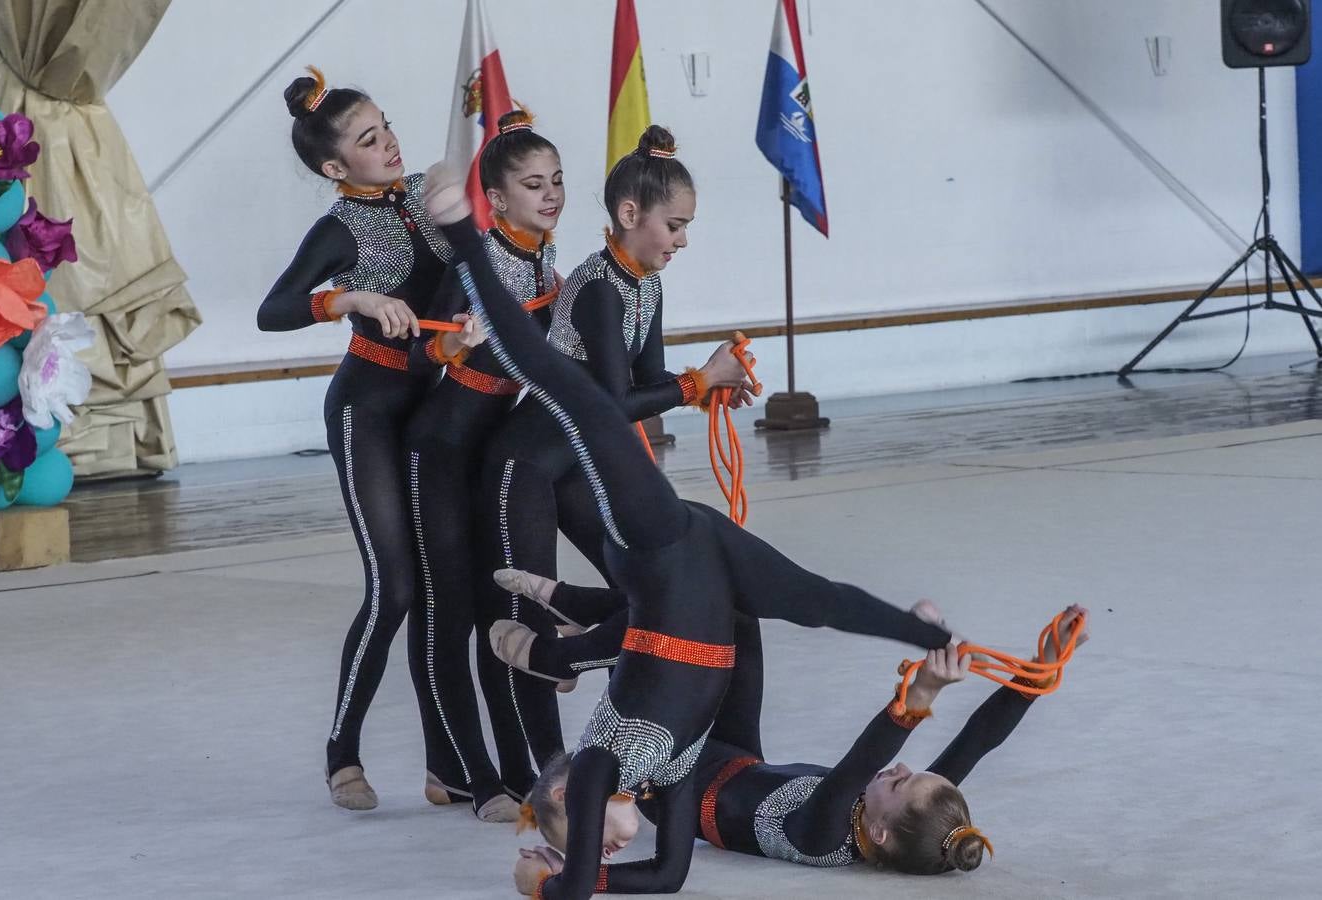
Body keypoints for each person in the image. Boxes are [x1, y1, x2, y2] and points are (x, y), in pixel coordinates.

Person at [419, 159, 953, 898]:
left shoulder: (603, 763)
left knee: (563, 384)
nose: (610, 845)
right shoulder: (666, 778)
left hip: (662, 548)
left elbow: (581, 882)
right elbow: (667, 879)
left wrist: (550, 882)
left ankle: (462, 239)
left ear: (578, 799)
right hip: (713, 588)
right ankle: (922, 630)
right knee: (815, 600)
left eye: (593, 837)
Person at [470, 124, 756, 795]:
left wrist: (711, 385)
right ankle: (540, 772)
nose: (682, 241)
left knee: (652, 591)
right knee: (525, 619)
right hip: (527, 467)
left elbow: (646, 386)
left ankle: (639, 720)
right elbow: (612, 402)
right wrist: (698, 381)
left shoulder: (646, 286)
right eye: (675, 226)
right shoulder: (599, 285)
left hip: (576, 466)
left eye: (686, 227)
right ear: (631, 216)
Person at [511, 603, 1088, 892]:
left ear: (880, 834)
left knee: (668, 672)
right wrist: (1041, 671)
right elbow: (975, 744)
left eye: (899, 782)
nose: (902, 769)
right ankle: (594, 630)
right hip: (738, 753)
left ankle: (576, 649)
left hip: (677, 783)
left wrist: (920, 694)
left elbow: (862, 759)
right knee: (734, 609)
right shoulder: (892, 814)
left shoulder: (826, 835)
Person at [258, 67, 482, 812]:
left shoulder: (424, 192)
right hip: (369, 408)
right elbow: (274, 310)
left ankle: (447, 766)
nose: (387, 143)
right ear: (333, 167)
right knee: (394, 588)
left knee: (447, 593)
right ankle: (341, 754)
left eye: (384, 126)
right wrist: (347, 297)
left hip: (437, 404)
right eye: (366, 139)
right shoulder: (339, 230)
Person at [400, 109, 567, 815]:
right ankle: (473, 775)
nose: (551, 194)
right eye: (533, 184)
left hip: (492, 456)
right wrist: (452, 345)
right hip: (439, 450)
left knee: (503, 610)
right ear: (495, 200)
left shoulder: (547, 263)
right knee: (451, 612)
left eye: (557, 180)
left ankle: (519, 766)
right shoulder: (477, 261)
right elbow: (420, 351)